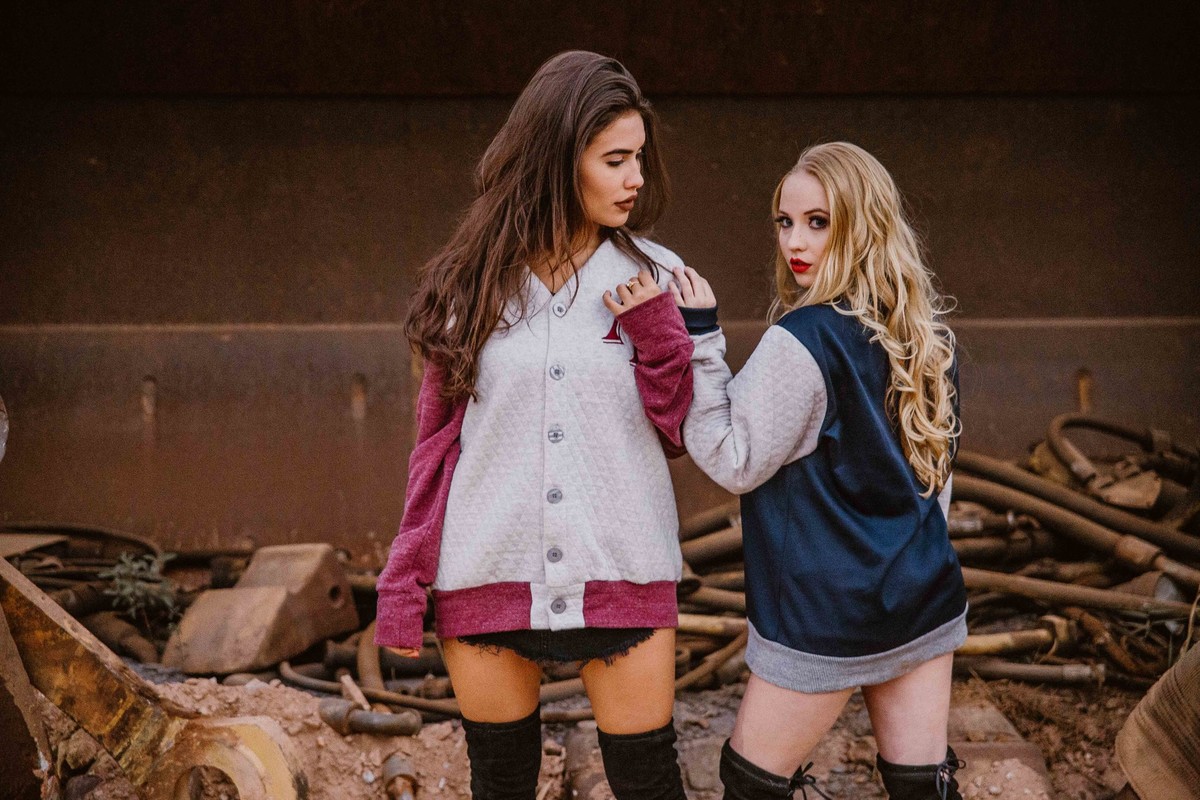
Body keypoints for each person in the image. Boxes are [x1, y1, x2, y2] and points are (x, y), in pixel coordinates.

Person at [374, 51, 693, 800]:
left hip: (623, 565)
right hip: (486, 565)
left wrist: (659, 336)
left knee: (649, 782)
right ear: (557, 160)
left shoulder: (656, 277)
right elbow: (434, 449)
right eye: (614, 160)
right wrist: (406, 579)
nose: (636, 178)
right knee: (502, 784)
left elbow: (681, 432)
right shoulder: (468, 286)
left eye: (639, 157)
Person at [669, 141, 968, 800]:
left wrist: (700, 340)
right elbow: (935, 485)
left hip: (823, 618)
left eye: (818, 222)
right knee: (921, 788)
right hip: (922, 595)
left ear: (864, 225)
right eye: (785, 221)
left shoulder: (800, 340)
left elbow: (732, 459)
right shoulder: (927, 336)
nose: (794, 242)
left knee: (751, 783)